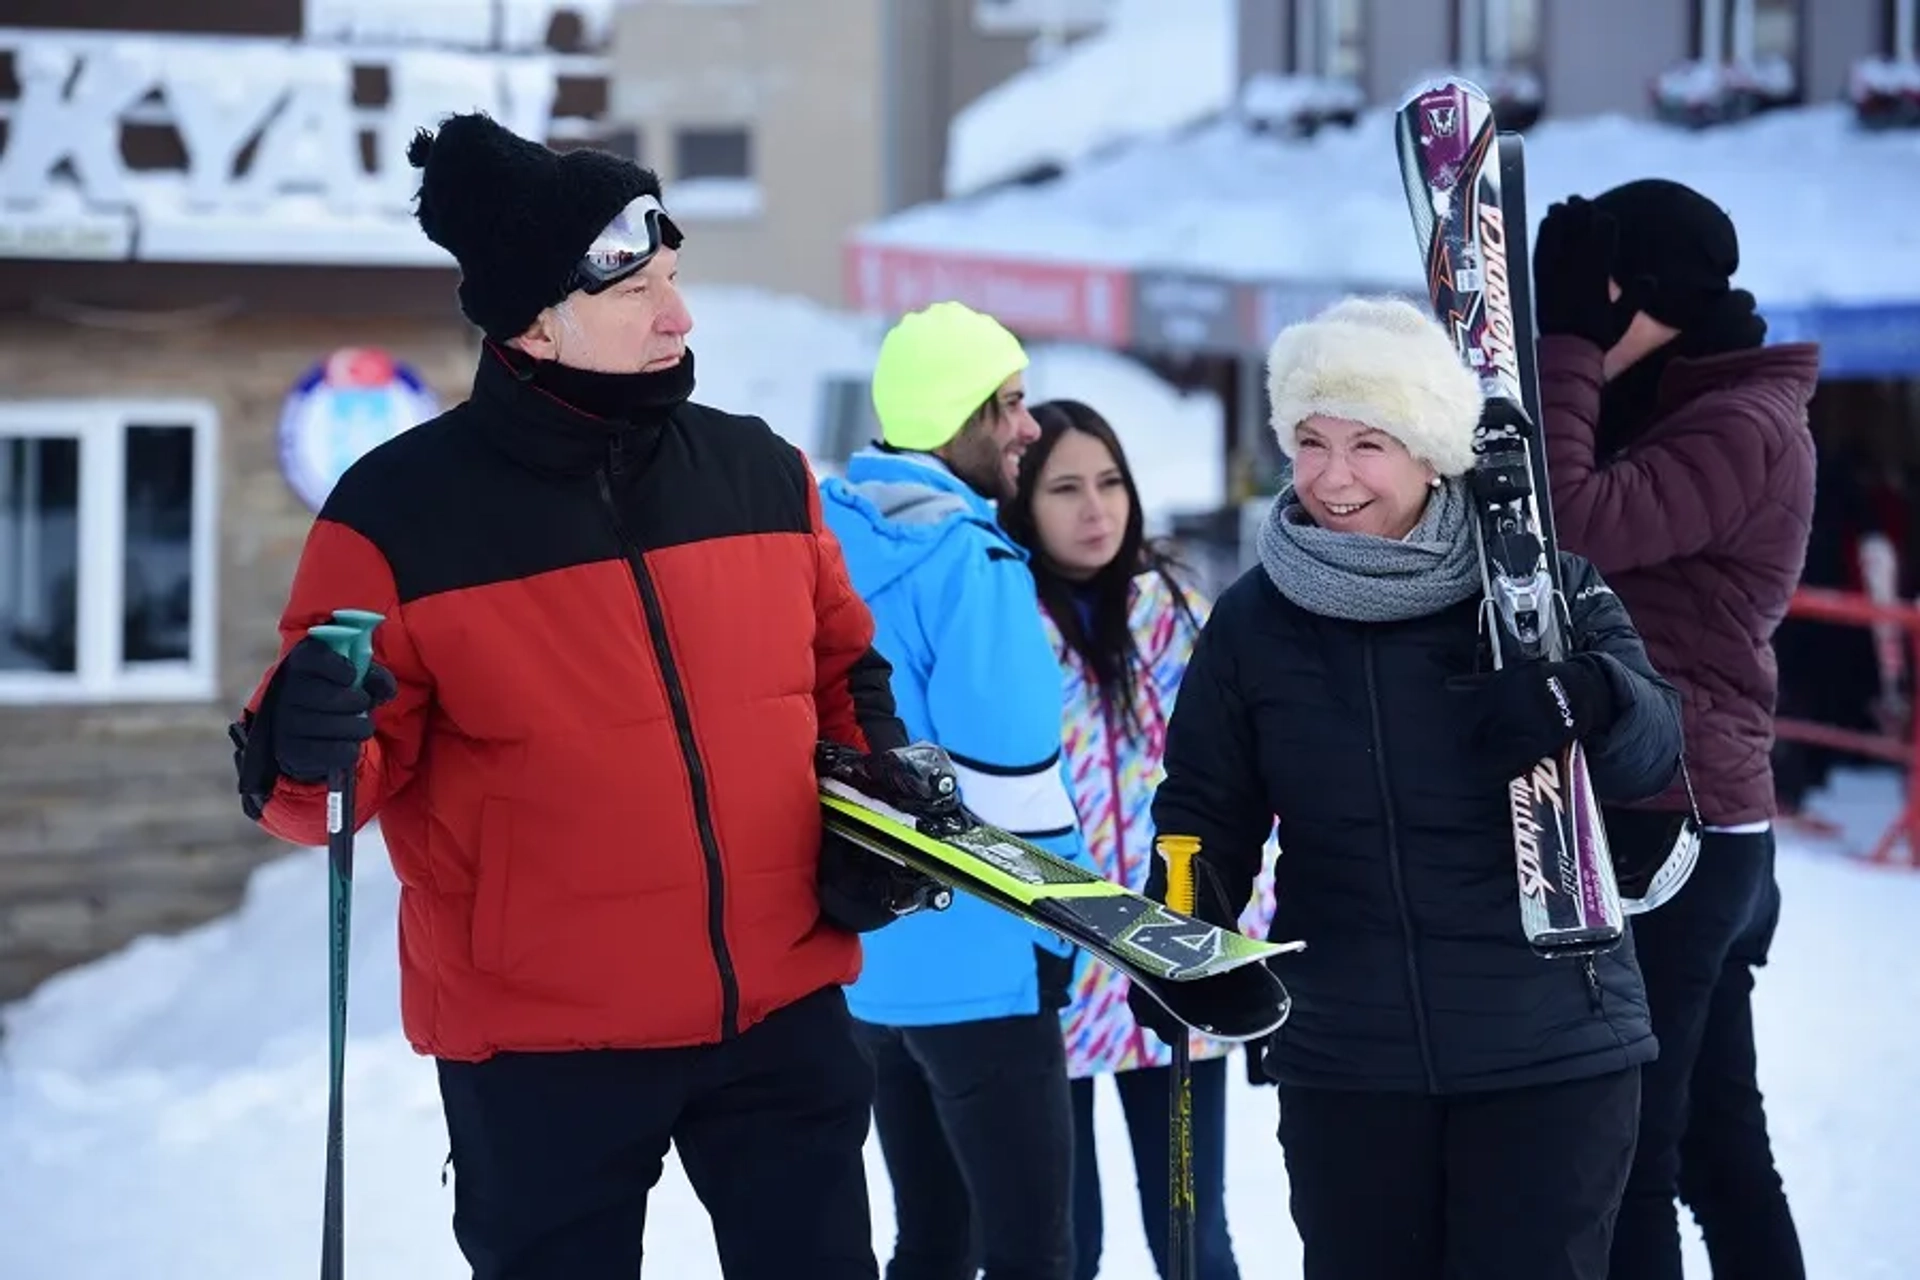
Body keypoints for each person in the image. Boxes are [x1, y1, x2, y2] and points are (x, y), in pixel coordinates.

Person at [224, 112, 952, 1280]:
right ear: (536, 316)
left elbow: (840, 673)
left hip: (777, 1009)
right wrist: (298, 741)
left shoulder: (761, 471)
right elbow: (327, 795)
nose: (680, 315)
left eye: (675, 279)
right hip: (541, 1039)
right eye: (640, 293)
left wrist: (876, 792)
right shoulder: (398, 514)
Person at [1126, 295, 1684, 1280]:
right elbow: (1204, 812)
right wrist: (1180, 932)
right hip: (1351, 1059)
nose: (1333, 476)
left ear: (1433, 452)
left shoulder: (1535, 588)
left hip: (1548, 1045)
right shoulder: (1257, 620)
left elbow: (1653, 758)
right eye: (1310, 441)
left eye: (1369, 443)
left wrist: (1581, 692)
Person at [1530, 178, 1818, 1280]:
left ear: (1646, 295)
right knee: (1713, 1141)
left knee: (1632, 1151)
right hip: (1693, 817)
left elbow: (1570, 524)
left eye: (1596, 292)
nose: (1585, 316)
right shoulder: (1691, 402)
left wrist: (1562, 341)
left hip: (1677, 827)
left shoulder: (1741, 423)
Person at [819, 301, 1090, 1280]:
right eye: (1008, 406)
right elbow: (1014, 784)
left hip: (878, 960)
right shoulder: (969, 563)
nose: (1028, 428)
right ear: (951, 416)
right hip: (986, 953)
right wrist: (1071, 927)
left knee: (928, 1242)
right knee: (1029, 1249)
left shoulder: (834, 539)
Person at [1000, 399, 1271, 1280]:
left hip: (1169, 975)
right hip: (1054, 984)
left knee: (1197, 1248)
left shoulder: (1184, 616)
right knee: (1062, 1251)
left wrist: (1239, 948)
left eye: (1111, 482)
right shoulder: (1001, 621)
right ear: (1023, 502)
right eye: (1066, 488)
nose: (1096, 510)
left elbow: (1241, 791)